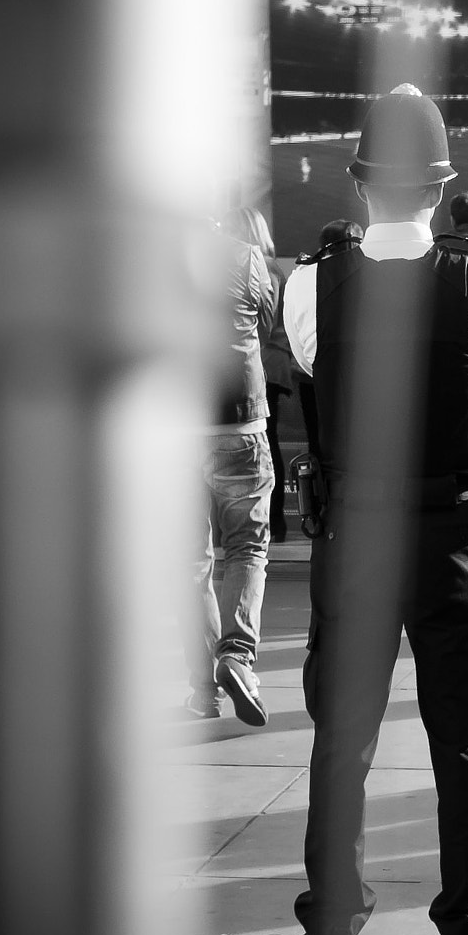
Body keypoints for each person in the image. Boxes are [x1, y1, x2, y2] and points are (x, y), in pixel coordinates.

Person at [281, 84, 468, 935]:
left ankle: (332, 932)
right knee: (464, 738)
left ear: (356, 180)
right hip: (452, 533)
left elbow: (314, 371)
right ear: (440, 185)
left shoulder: (311, 281)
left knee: (341, 740)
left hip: (354, 536)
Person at [183, 213, 277, 725]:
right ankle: (236, 656)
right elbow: (267, 315)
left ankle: (205, 689)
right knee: (246, 547)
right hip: (239, 422)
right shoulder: (244, 256)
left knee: (190, 564)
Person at [225, 206, 294, 543]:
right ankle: (274, 524)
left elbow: (263, 326)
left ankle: (274, 522)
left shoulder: (259, 267)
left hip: (263, 366)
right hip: (267, 365)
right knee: (268, 444)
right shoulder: (268, 267)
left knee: (268, 445)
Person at [294, 218, 363, 462]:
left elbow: (297, 343)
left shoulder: (304, 275)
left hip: (314, 375)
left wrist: (316, 369)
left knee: (320, 452)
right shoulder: (374, 274)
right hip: (360, 378)